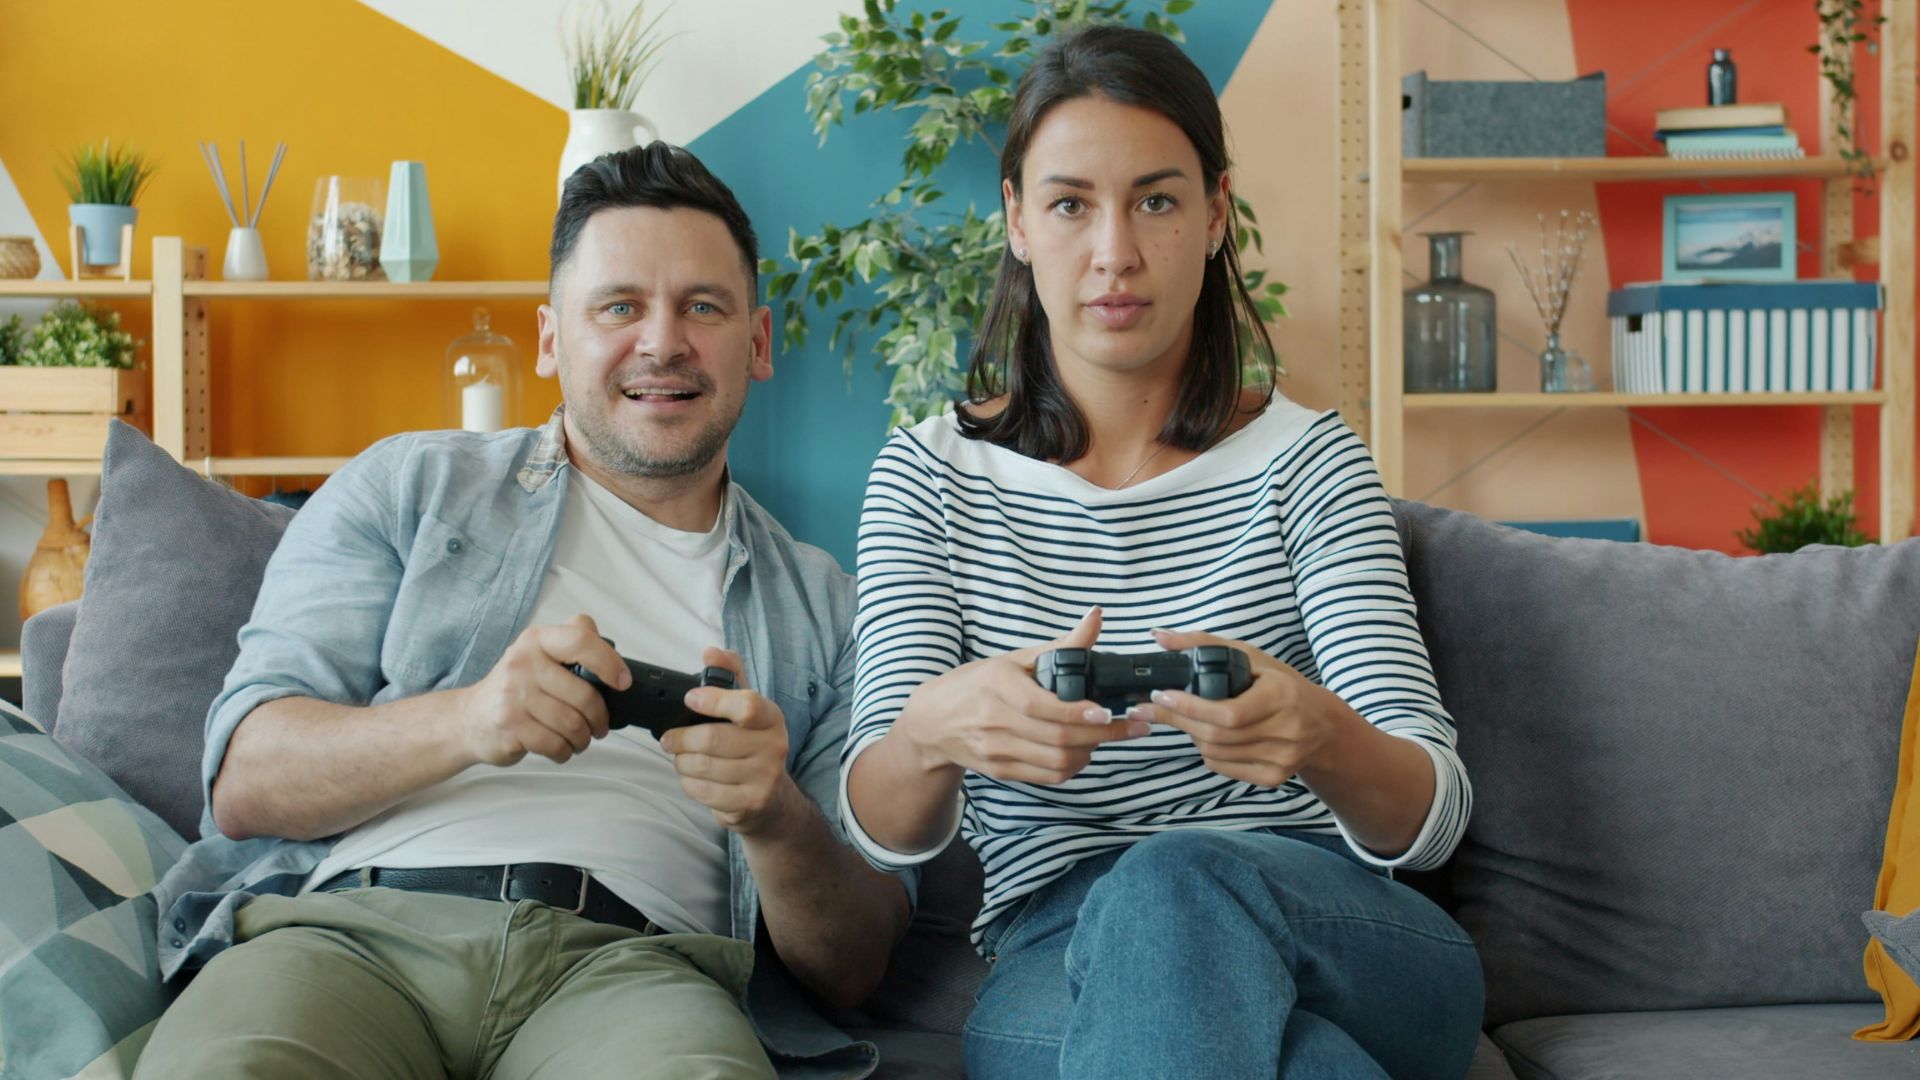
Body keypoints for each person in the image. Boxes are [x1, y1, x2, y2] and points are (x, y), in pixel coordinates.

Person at [137, 143, 912, 1080]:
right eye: (619, 306)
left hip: (638, 974)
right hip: (350, 940)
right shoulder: (408, 484)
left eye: (702, 306)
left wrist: (775, 815)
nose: (662, 342)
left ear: (757, 342)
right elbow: (246, 778)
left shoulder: (830, 607)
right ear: (551, 340)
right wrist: (469, 719)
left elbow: (853, 966)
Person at [840, 25, 1484, 1080]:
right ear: (1014, 219)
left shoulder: (1310, 464)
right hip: (1058, 946)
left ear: (1218, 212)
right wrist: (929, 733)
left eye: (1157, 199)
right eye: (1069, 204)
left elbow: (1430, 817)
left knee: (1177, 880)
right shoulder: (928, 477)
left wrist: (1321, 734)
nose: (1115, 254)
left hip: (1339, 924)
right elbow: (881, 826)